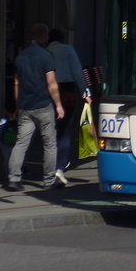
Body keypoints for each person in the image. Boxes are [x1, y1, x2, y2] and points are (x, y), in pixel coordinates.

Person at [6, 22, 64, 192]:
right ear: (44, 36)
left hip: (25, 106)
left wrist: (17, 106)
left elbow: (16, 83)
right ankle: (49, 181)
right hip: (44, 105)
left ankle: (13, 179)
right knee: (50, 144)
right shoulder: (46, 56)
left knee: (21, 143)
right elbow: (51, 83)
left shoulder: (21, 57)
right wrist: (59, 105)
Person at [46, 26, 89, 186]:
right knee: (65, 129)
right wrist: (85, 92)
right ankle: (59, 166)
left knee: (49, 129)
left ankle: (48, 166)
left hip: (49, 90)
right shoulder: (68, 49)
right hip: (68, 90)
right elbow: (77, 72)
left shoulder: (46, 51)